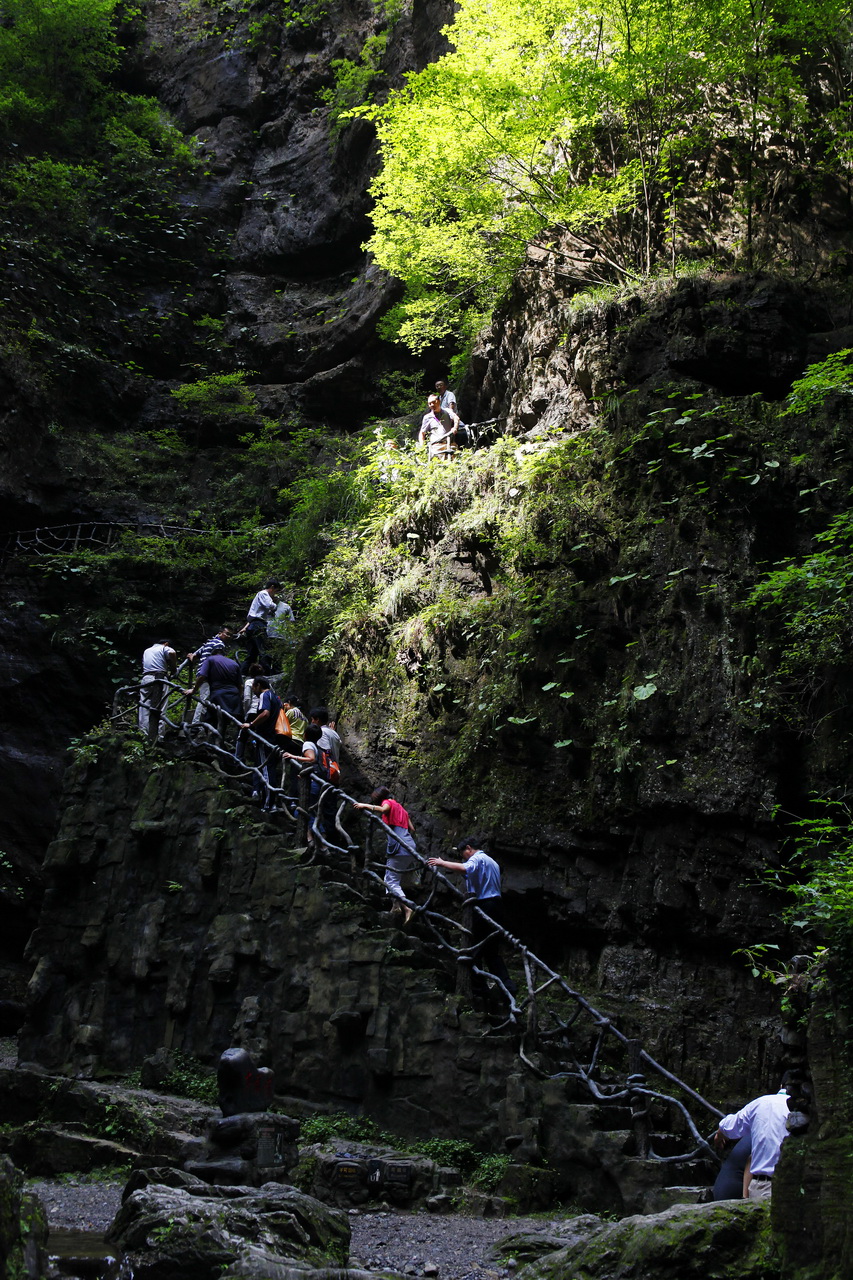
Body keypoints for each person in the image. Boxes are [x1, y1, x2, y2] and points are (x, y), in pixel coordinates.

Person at [428, 839, 517, 1001]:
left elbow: (465, 868)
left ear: (468, 849)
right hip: (497, 905)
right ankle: (508, 987)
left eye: (463, 854)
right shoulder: (492, 862)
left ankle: (479, 989)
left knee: (474, 948)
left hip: (485, 905)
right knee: (491, 952)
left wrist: (442, 863)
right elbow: (471, 874)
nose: (464, 858)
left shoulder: (477, 858)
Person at [714, 1082, 791, 1200]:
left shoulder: (762, 1103)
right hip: (787, 1184)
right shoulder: (805, 1110)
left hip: (759, 1185)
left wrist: (719, 1135)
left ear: (781, 1085)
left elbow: (729, 1125)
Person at [352, 787, 419, 923]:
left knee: (391, 881)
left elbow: (384, 810)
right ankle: (395, 907)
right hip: (409, 845)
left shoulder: (387, 803)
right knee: (394, 877)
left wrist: (364, 805)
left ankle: (407, 908)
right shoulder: (402, 809)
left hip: (399, 846)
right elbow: (412, 829)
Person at [240, 676, 283, 808]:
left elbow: (265, 714)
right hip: (273, 737)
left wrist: (251, 724)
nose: (252, 689)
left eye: (253, 686)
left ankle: (269, 804)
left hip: (265, 737)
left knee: (266, 770)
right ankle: (272, 802)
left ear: (258, 685)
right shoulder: (275, 697)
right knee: (269, 768)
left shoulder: (265, 695)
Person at [184, 648, 242, 745]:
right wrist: (239, 697)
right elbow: (240, 685)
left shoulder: (210, 659)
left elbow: (202, 676)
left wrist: (194, 690)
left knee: (213, 719)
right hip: (233, 695)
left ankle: (214, 746)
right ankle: (226, 745)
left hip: (218, 694)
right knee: (227, 721)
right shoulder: (234, 663)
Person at [186, 626, 233, 726]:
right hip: (208, 674)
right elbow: (218, 660)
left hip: (202, 672)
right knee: (205, 699)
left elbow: (194, 656)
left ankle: (202, 723)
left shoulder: (208, 643)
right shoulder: (219, 644)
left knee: (206, 697)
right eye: (227, 634)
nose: (229, 636)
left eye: (230, 635)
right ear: (220, 633)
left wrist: (191, 656)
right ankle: (196, 724)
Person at [237, 580, 282, 674]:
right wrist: (275, 604)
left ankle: (243, 674)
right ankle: (265, 674)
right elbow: (270, 605)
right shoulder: (264, 593)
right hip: (258, 625)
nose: (275, 594)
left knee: (252, 653)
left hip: (253, 625)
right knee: (263, 650)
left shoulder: (261, 596)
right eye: (275, 591)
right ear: (272, 587)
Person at [139, 639, 177, 741]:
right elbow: (172, 653)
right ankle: (159, 737)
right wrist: (174, 668)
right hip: (159, 678)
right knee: (161, 706)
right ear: (166, 643)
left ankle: (143, 734)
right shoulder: (164, 648)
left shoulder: (147, 650)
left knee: (145, 706)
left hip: (146, 678)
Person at [418, 394, 460, 462]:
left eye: (433, 402)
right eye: (429, 403)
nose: (432, 405)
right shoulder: (427, 417)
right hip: (436, 446)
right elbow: (422, 433)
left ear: (439, 401)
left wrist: (455, 428)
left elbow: (456, 418)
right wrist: (422, 446)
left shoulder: (447, 411)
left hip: (449, 444)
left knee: (453, 462)